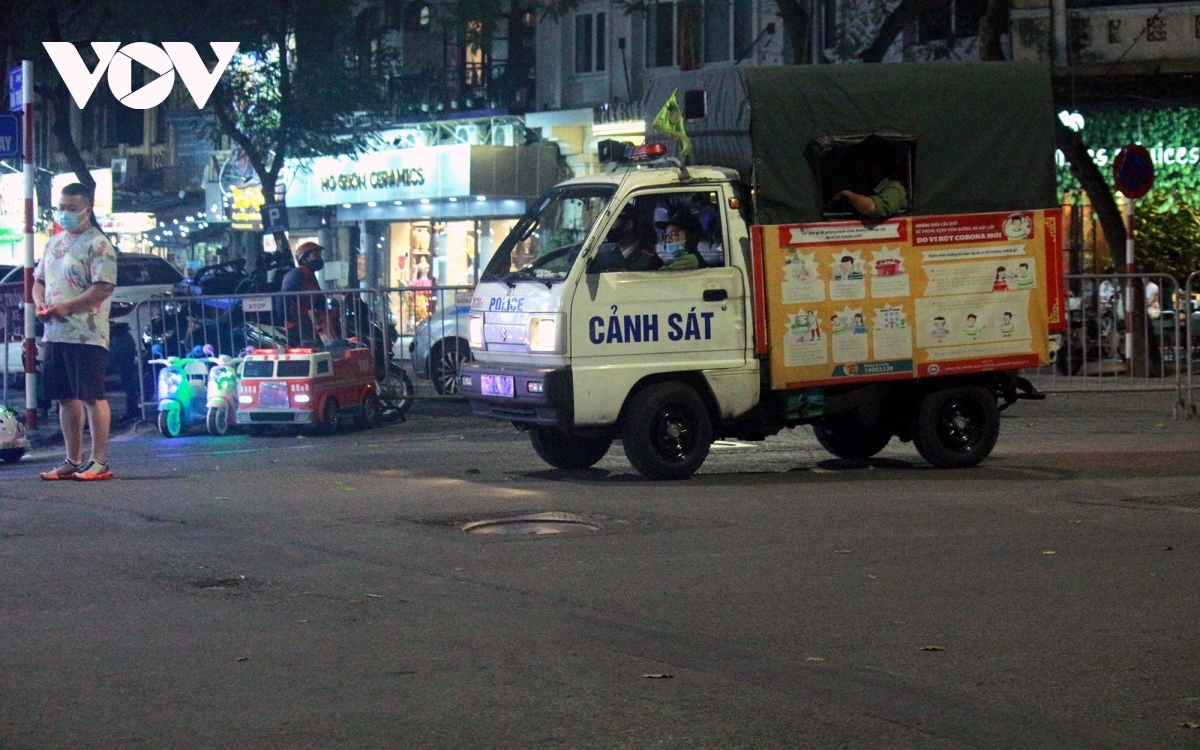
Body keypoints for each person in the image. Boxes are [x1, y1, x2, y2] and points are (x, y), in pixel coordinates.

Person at [34, 182, 118, 481]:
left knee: (91, 395)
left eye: (72, 208)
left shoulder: (99, 244)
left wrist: (68, 307)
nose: (65, 213)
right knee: (65, 397)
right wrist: (40, 302)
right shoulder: (53, 243)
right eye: (62, 207)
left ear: (87, 209)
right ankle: (72, 459)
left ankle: (99, 461)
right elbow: (39, 279)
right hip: (55, 332)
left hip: (88, 333)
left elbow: (103, 287)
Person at [280, 242, 325, 346]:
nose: (319, 259)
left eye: (319, 255)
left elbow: (319, 297)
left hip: (307, 321)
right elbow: (284, 298)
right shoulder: (296, 274)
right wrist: (287, 318)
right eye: (315, 256)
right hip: (296, 324)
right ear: (304, 259)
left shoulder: (310, 276)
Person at [592, 208, 664, 272]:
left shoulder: (648, 260)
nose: (607, 228)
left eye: (612, 223)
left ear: (628, 224)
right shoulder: (603, 254)